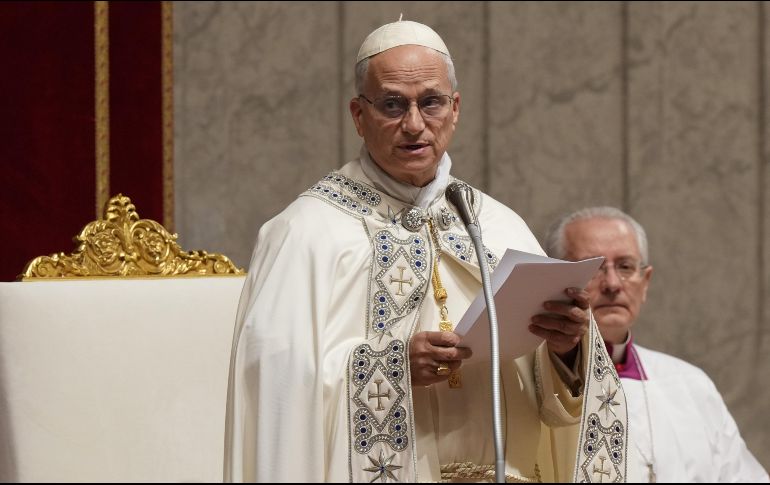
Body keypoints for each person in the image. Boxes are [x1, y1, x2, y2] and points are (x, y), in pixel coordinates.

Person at [224, 19, 630, 483]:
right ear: (358, 115)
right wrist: (392, 368)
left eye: (431, 102)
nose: (414, 124)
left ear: (455, 109)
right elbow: (275, 390)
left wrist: (565, 350)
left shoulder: (497, 226)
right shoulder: (305, 233)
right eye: (392, 104)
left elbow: (550, 405)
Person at [544, 206, 769, 483]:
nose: (612, 284)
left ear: (645, 282)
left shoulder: (691, 384)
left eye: (625, 266)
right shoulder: (527, 383)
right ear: (555, 278)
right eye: (593, 267)